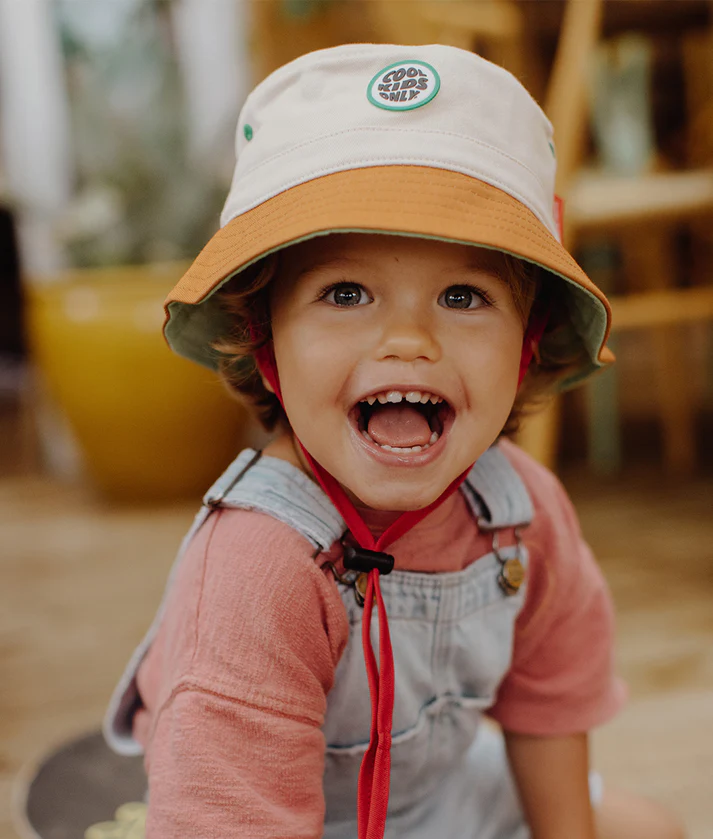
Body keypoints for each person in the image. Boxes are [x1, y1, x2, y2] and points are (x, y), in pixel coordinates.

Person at [104, 44, 684, 839]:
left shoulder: (518, 511)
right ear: (263, 341)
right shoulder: (256, 567)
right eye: (344, 292)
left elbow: (550, 697)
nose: (408, 339)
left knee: (646, 828)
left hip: (438, 794)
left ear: (526, 345)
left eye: (462, 294)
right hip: (263, 813)